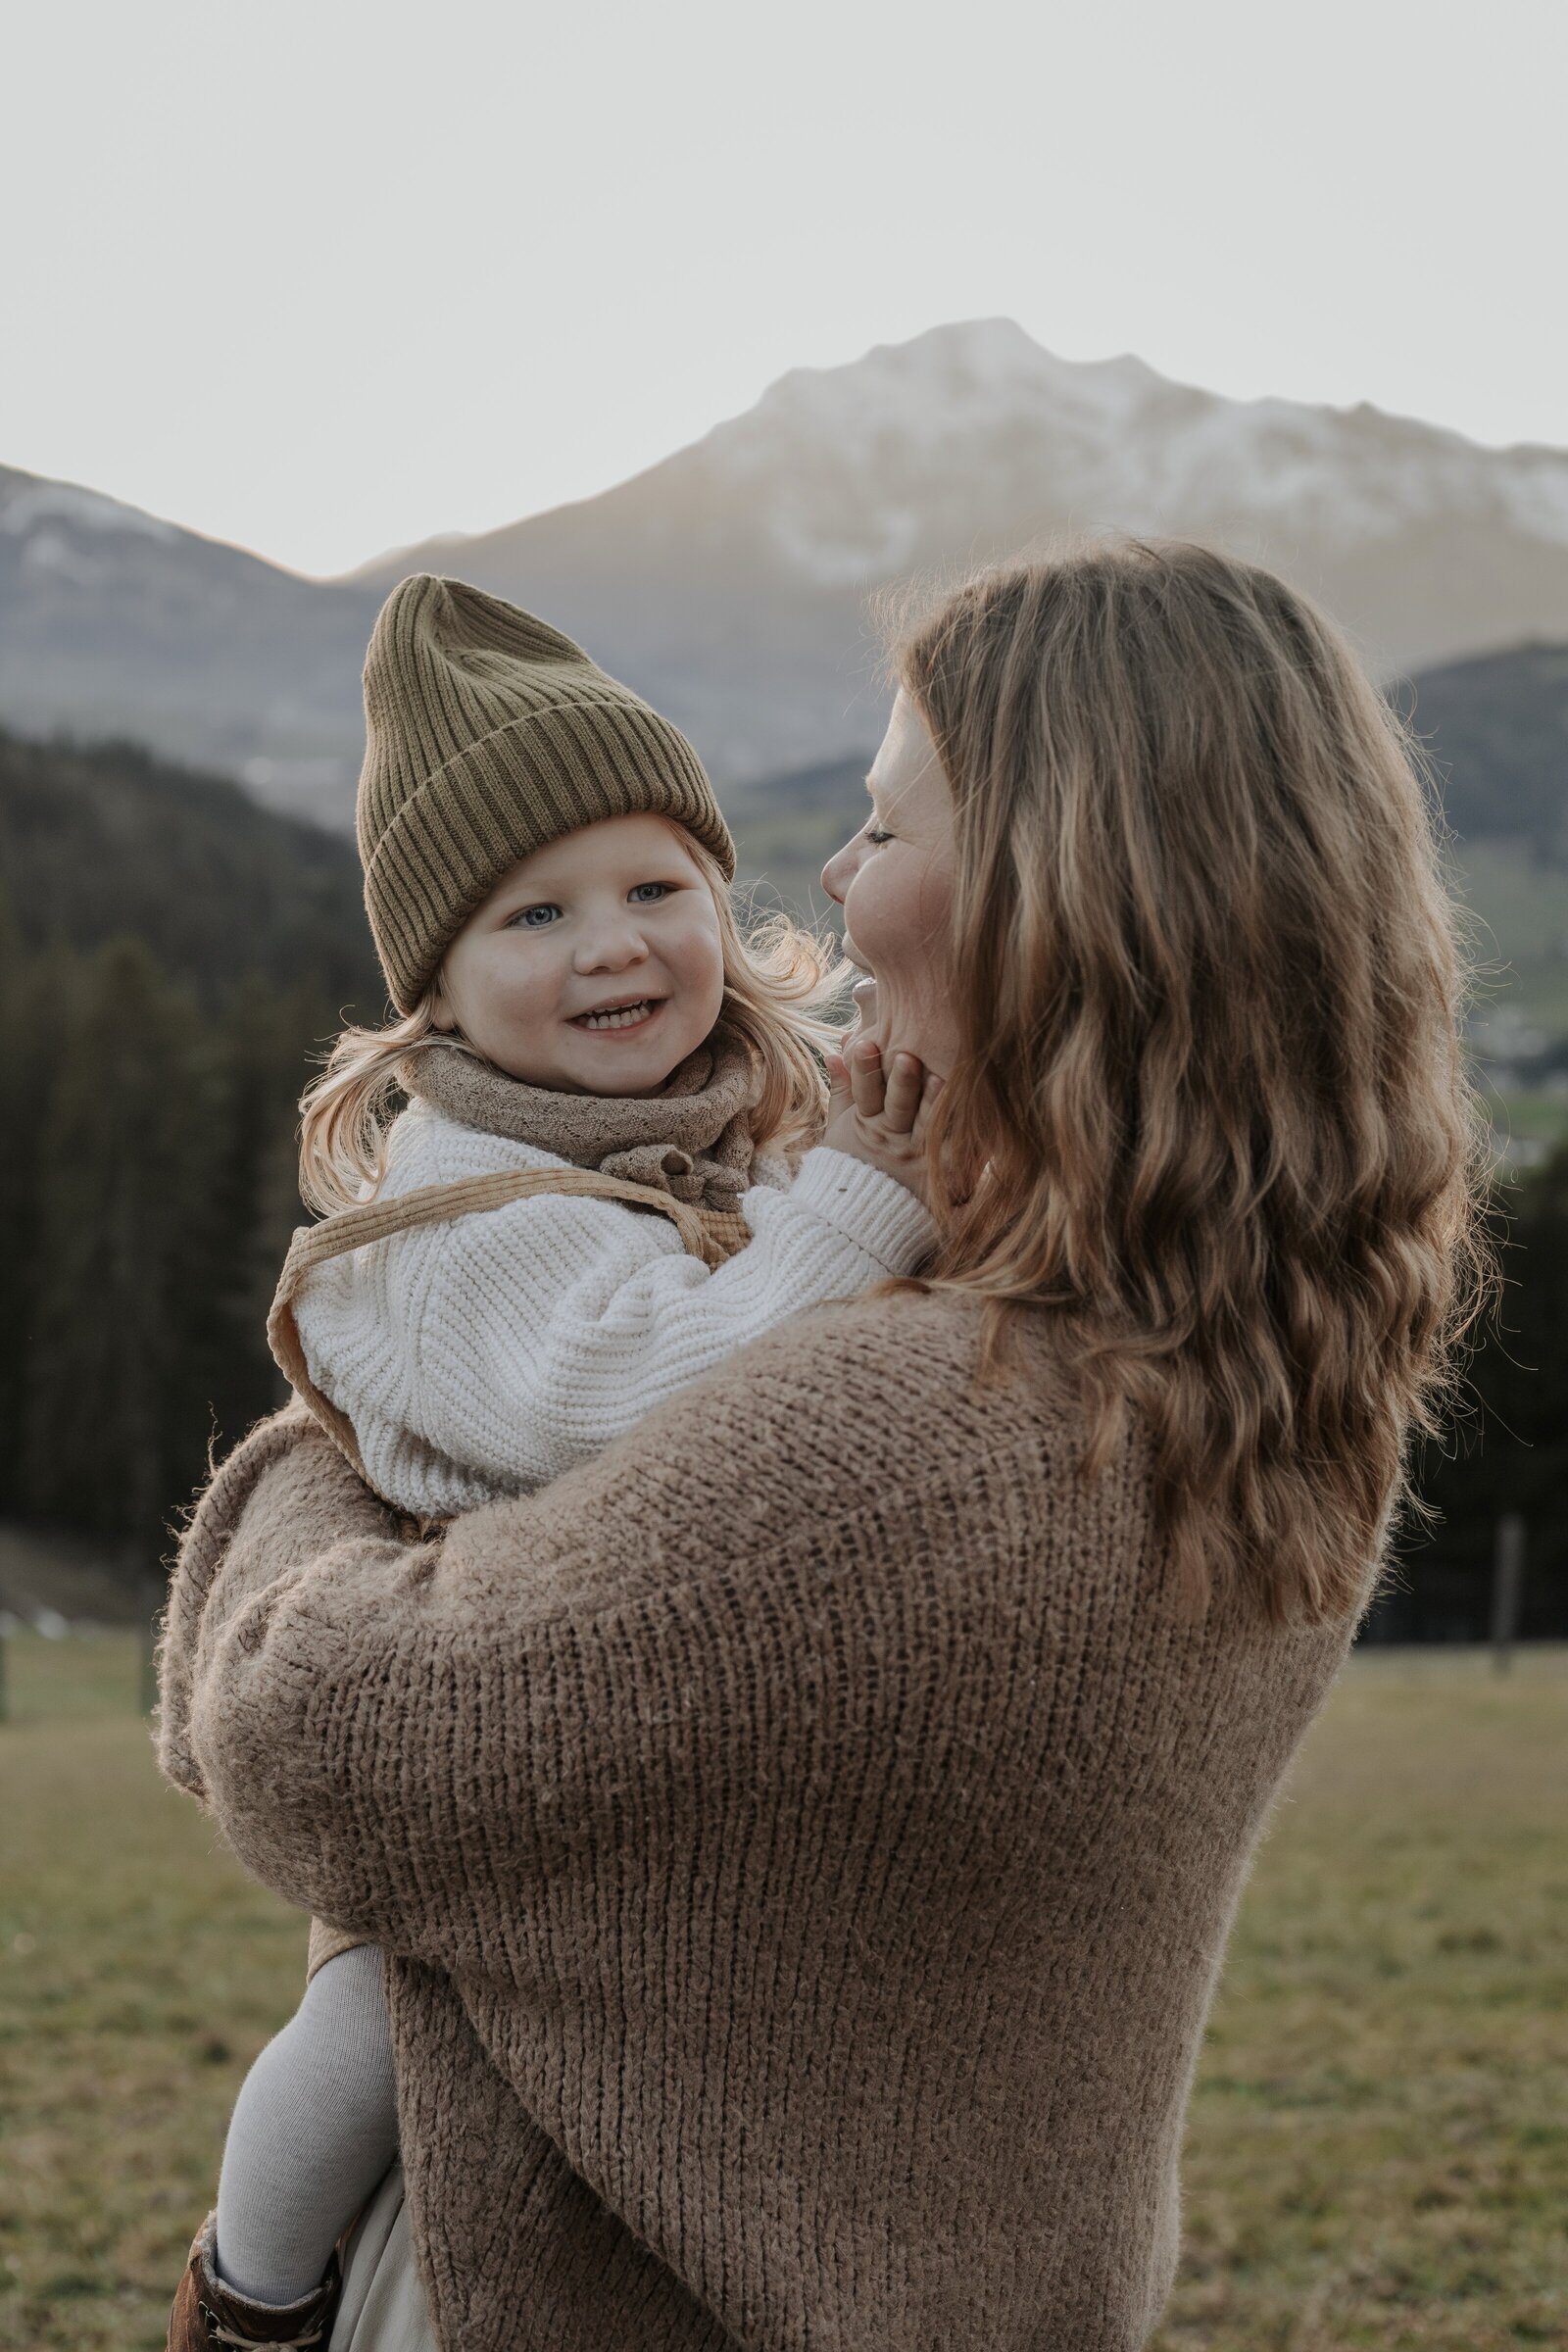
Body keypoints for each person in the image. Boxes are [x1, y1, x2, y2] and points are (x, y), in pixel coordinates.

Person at [159, 541, 1493, 2352]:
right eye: (537, 915)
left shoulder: (886, 1467)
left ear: (1051, 897)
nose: (836, 882)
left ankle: (243, 2292)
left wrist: (308, 1472)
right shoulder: (1266, 1363)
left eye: (884, 829)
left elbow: (302, 1736)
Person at [168, 572, 943, 2346]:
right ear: (433, 984)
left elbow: (818, 1139)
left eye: (658, 889)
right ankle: (253, 2288)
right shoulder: (456, 1216)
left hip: (642, 1700)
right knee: (376, 2031)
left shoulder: (701, 1108)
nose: (614, 944)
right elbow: (650, 1404)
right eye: (536, 913)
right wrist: (867, 1212)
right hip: (488, 1720)